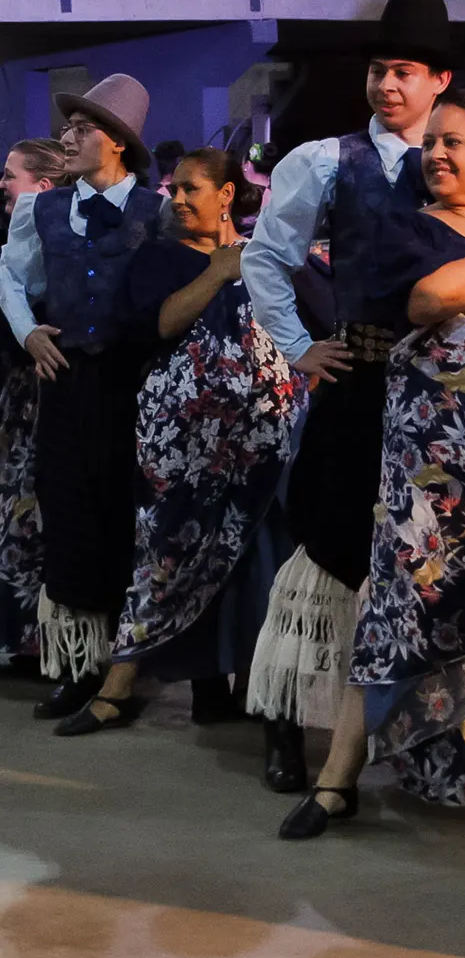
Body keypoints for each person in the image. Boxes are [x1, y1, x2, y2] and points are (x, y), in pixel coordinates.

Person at [276, 89, 465, 838]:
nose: (439, 154)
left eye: (457, 142)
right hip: (435, 476)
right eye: (433, 142)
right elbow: (425, 303)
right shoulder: (408, 228)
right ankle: (336, 780)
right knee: (398, 607)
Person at [241, 0, 457, 792]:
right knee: (327, 553)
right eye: (378, 70)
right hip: (359, 381)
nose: (387, 85)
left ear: (438, 81)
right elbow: (266, 257)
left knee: (418, 561)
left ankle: (410, 733)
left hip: (438, 396)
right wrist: (299, 347)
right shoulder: (328, 160)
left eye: (403, 71)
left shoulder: (461, 157)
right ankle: (284, 722)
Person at [48, 148, 307, 735]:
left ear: (227, 196)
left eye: (192, 188)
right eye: (174, 189)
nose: (179, 199)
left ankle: (252, 703)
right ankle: (120, 686)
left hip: (261, 445)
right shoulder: (159, 259)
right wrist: (217, 273)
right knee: (164, 557)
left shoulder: (264, 258)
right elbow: (161, 324)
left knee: (253, 567)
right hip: (183, 445)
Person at [0, 75, 162, 721]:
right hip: (66, 383)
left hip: (133, 385)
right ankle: (77, 665)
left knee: (127, 517)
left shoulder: (157, 210)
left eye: (80, 129)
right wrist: (27, 329)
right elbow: (11, 277)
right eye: (65, 128)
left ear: (116, 142)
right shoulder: (40, 209)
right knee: (68, 515)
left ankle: (126, 666)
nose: (67, 138)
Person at [0, 139, 72, 668]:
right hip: (21, 397)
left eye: (11, 175)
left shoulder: (47, 253)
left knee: (32, 511)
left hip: (43, 394)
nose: (2, 184)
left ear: (43, 188)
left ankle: (38, 639)